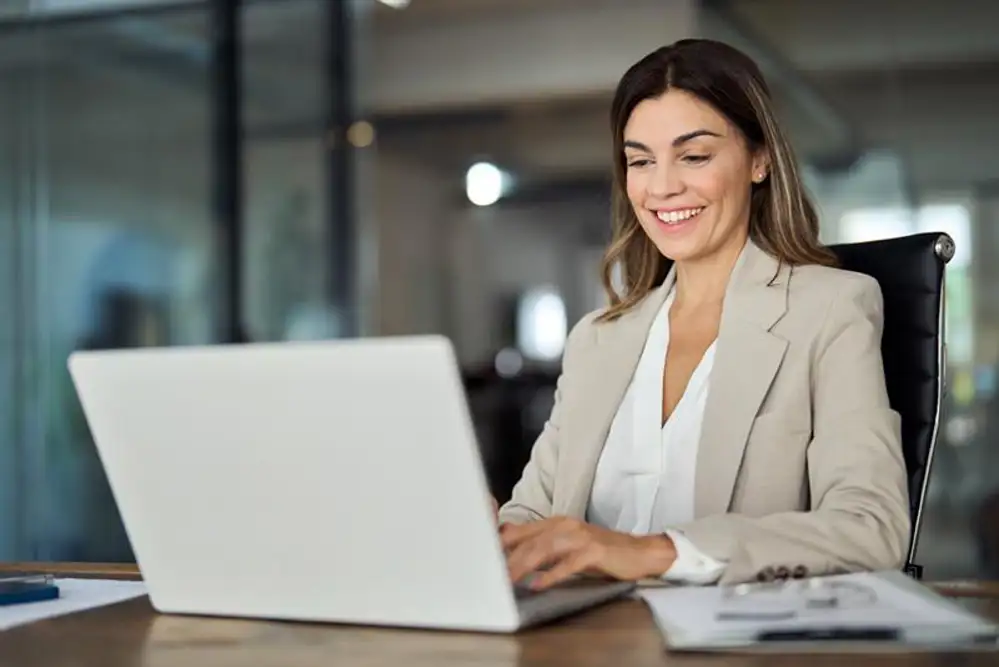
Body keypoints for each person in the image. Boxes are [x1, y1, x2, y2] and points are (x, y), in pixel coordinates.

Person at [496, 39, 910, 589]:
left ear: (759, 160)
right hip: (589, 638)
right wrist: (484, 534)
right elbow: (532, 518)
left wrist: (651, 553)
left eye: (694, 156)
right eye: (640, 160)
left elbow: (870, 528)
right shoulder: (598, 339)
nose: (662, 186)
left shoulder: (830, 309)